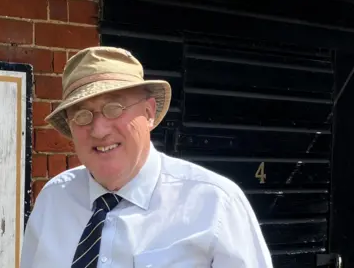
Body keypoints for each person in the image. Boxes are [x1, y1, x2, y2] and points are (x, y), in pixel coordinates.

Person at [20, 46, 273, 268]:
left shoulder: (216, 204)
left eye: (114, 108)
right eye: (82, 115)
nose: (99, 130)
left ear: (149, 112)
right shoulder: (54, 200)